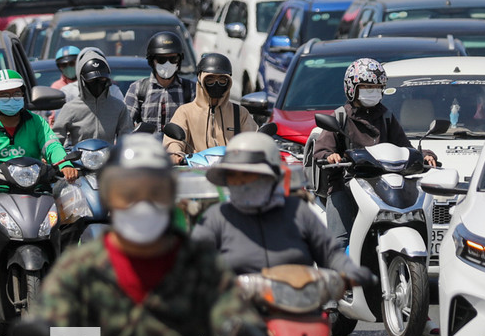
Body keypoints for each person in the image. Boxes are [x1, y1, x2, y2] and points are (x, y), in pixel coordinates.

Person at [23, 135, 269, 336]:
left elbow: (235, 321)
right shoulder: (78, 268)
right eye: (127, 192)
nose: (141, 202)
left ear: (171, 196)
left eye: (155, 191)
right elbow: (47, 333)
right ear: (108, 196)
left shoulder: (199, 263)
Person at [192, 131, 366, 282]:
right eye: (235, 178)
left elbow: (329, 253)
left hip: (298, 304)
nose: (243, 184)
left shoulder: (297, 212)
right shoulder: (217, 217)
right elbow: (192, 259)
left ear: (271, 179)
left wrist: (350, 273)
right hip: (238, 311)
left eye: (252, 177)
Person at [0, 69, 79, 300]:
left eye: (15, 93)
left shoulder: (37, 122)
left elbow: (51, 144)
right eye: (4, 95)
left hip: (34, 190)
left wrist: (63, 163)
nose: (11, 99)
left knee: (57, 226)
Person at [312, 58, 414, 251]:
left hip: (381, 187)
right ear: (353, 88)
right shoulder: (341, 116)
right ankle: (337, 279)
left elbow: (404, 146)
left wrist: (424, 155)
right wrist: (330, 155)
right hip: (345, 185)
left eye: (376, 87)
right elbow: (322, 149)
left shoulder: (386, 117)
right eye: (366, 86)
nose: (372, 91)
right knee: (339, 242)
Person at [163, 53, 257, 165]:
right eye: (210, 80)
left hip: (231, 172)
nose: (216, 84)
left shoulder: (240, 113)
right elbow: (173, 142)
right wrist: (176, 154)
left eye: (222, 80)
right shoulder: (185, 112)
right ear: (200, 80)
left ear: (229, 82)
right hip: (195, 173)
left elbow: (254, 139)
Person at [53, 47, 132, 146]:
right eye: (91, 80)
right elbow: (56, 137)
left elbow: (126, 137)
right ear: (82, 80)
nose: (97, 83)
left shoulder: (118, 106)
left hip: (109, 160)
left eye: (102, 79)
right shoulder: (70, 108)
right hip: (77, 160)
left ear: (107, 79)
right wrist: (60, 156)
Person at [124, 31, 196, 139]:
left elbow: (200, 125)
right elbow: (124, 125)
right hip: (147, 152)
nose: (167, 64)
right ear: (152, 61)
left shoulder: (191, 89)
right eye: (161, 60)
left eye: (173, 59)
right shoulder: (138, 89)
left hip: (180, 153)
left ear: (179, 61)